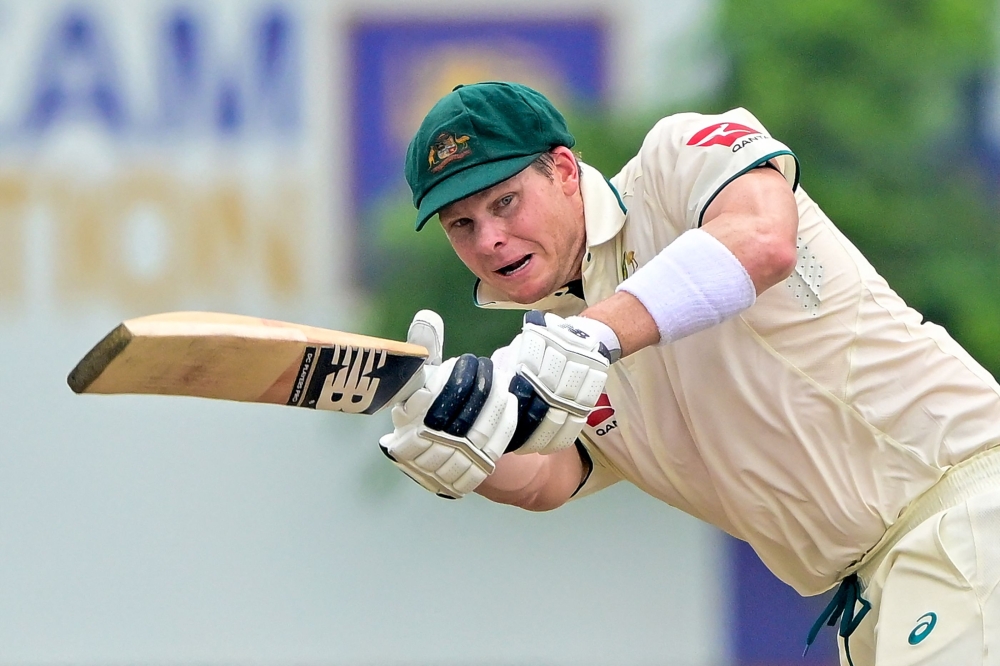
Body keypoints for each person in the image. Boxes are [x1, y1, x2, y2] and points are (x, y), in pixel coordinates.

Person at [377, 81, 1000, 666]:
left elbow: (763, 240)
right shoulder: (560, 344)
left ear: (565, 170)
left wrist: (595, 336)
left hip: (964, 517)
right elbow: (550, 475)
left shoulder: (670, 167)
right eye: (462, 224)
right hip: (878, 592)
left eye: (505, 202)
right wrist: (452, 443)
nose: (489, 238)